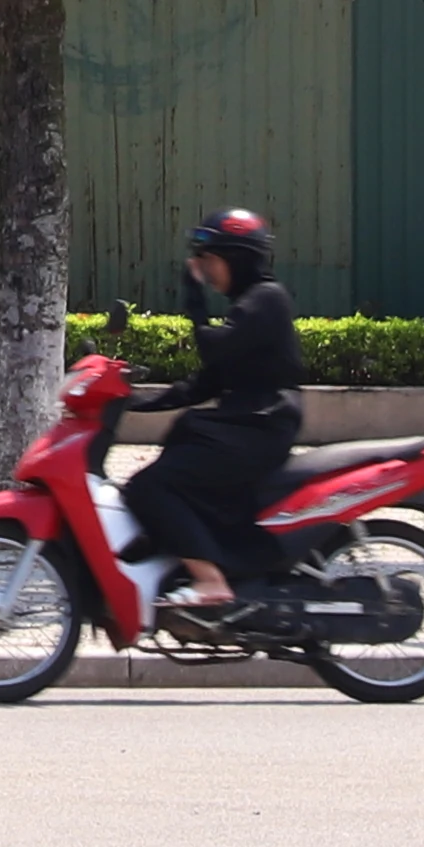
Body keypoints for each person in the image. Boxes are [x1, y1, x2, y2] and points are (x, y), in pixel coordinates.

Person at [135, 208, 305, 615]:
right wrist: (132, 402)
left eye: (209, 259)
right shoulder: (251, 303)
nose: (203, 270)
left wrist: (193, 300)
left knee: (151, 486)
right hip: (248, 424)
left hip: (261, 426)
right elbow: (207, 382)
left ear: (236, 258)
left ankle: (210, 581)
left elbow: (213, 348)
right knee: (178, 449)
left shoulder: (266, 300)